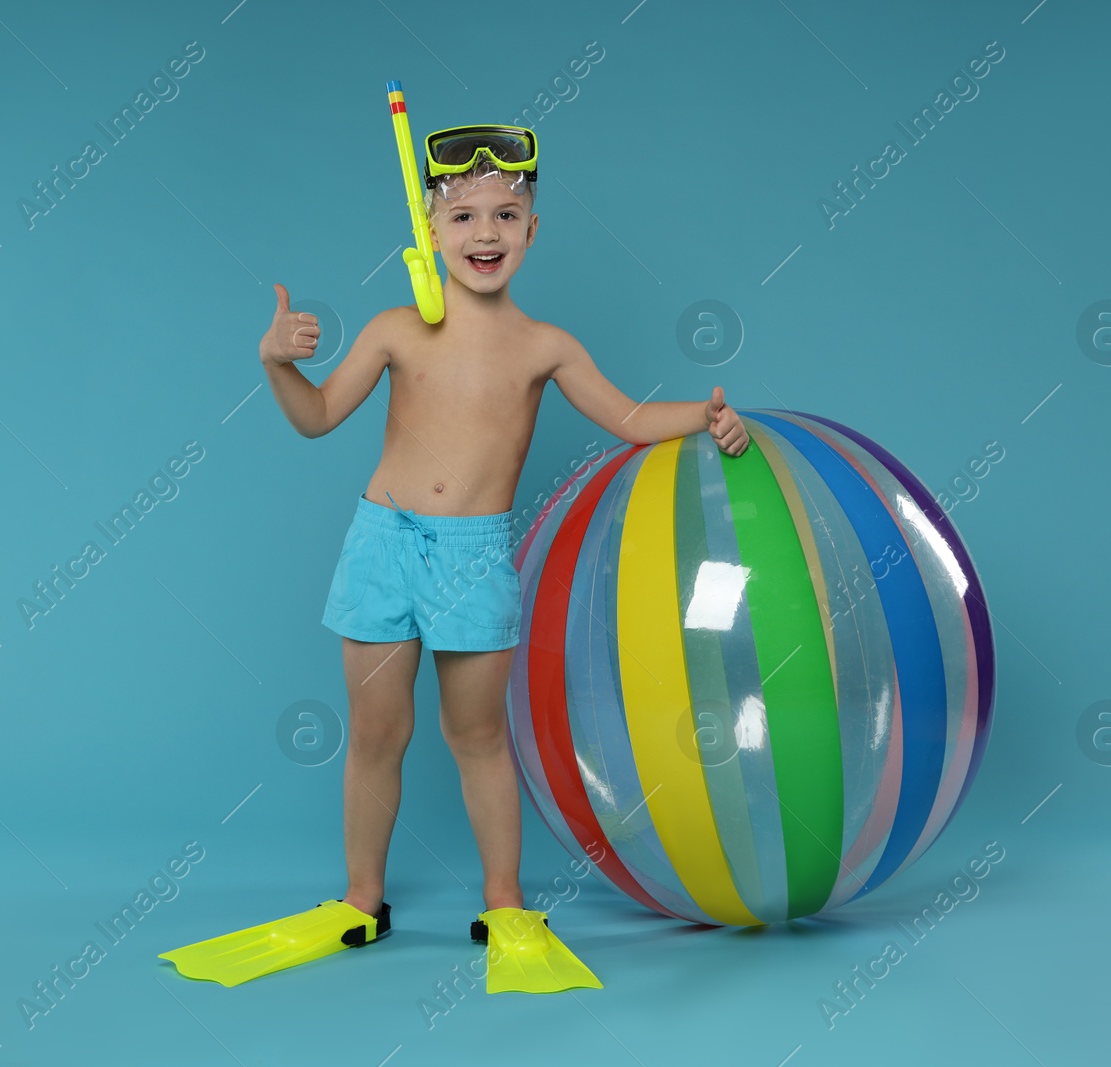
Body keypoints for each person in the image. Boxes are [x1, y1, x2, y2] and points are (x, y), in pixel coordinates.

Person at [159, 125, 748, 994]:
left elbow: (627, 418)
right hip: (382, 544)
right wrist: (274, 362)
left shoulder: (545, 346)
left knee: (476, 735)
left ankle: (504, 899)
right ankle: (363, 897)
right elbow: (317, 415)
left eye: (506, 213)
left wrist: (705, 416)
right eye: (465, 214)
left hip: (474, 559)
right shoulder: (397, 329)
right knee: (375, 732)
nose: (486, 231)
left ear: (533, 230)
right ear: (430, 231)